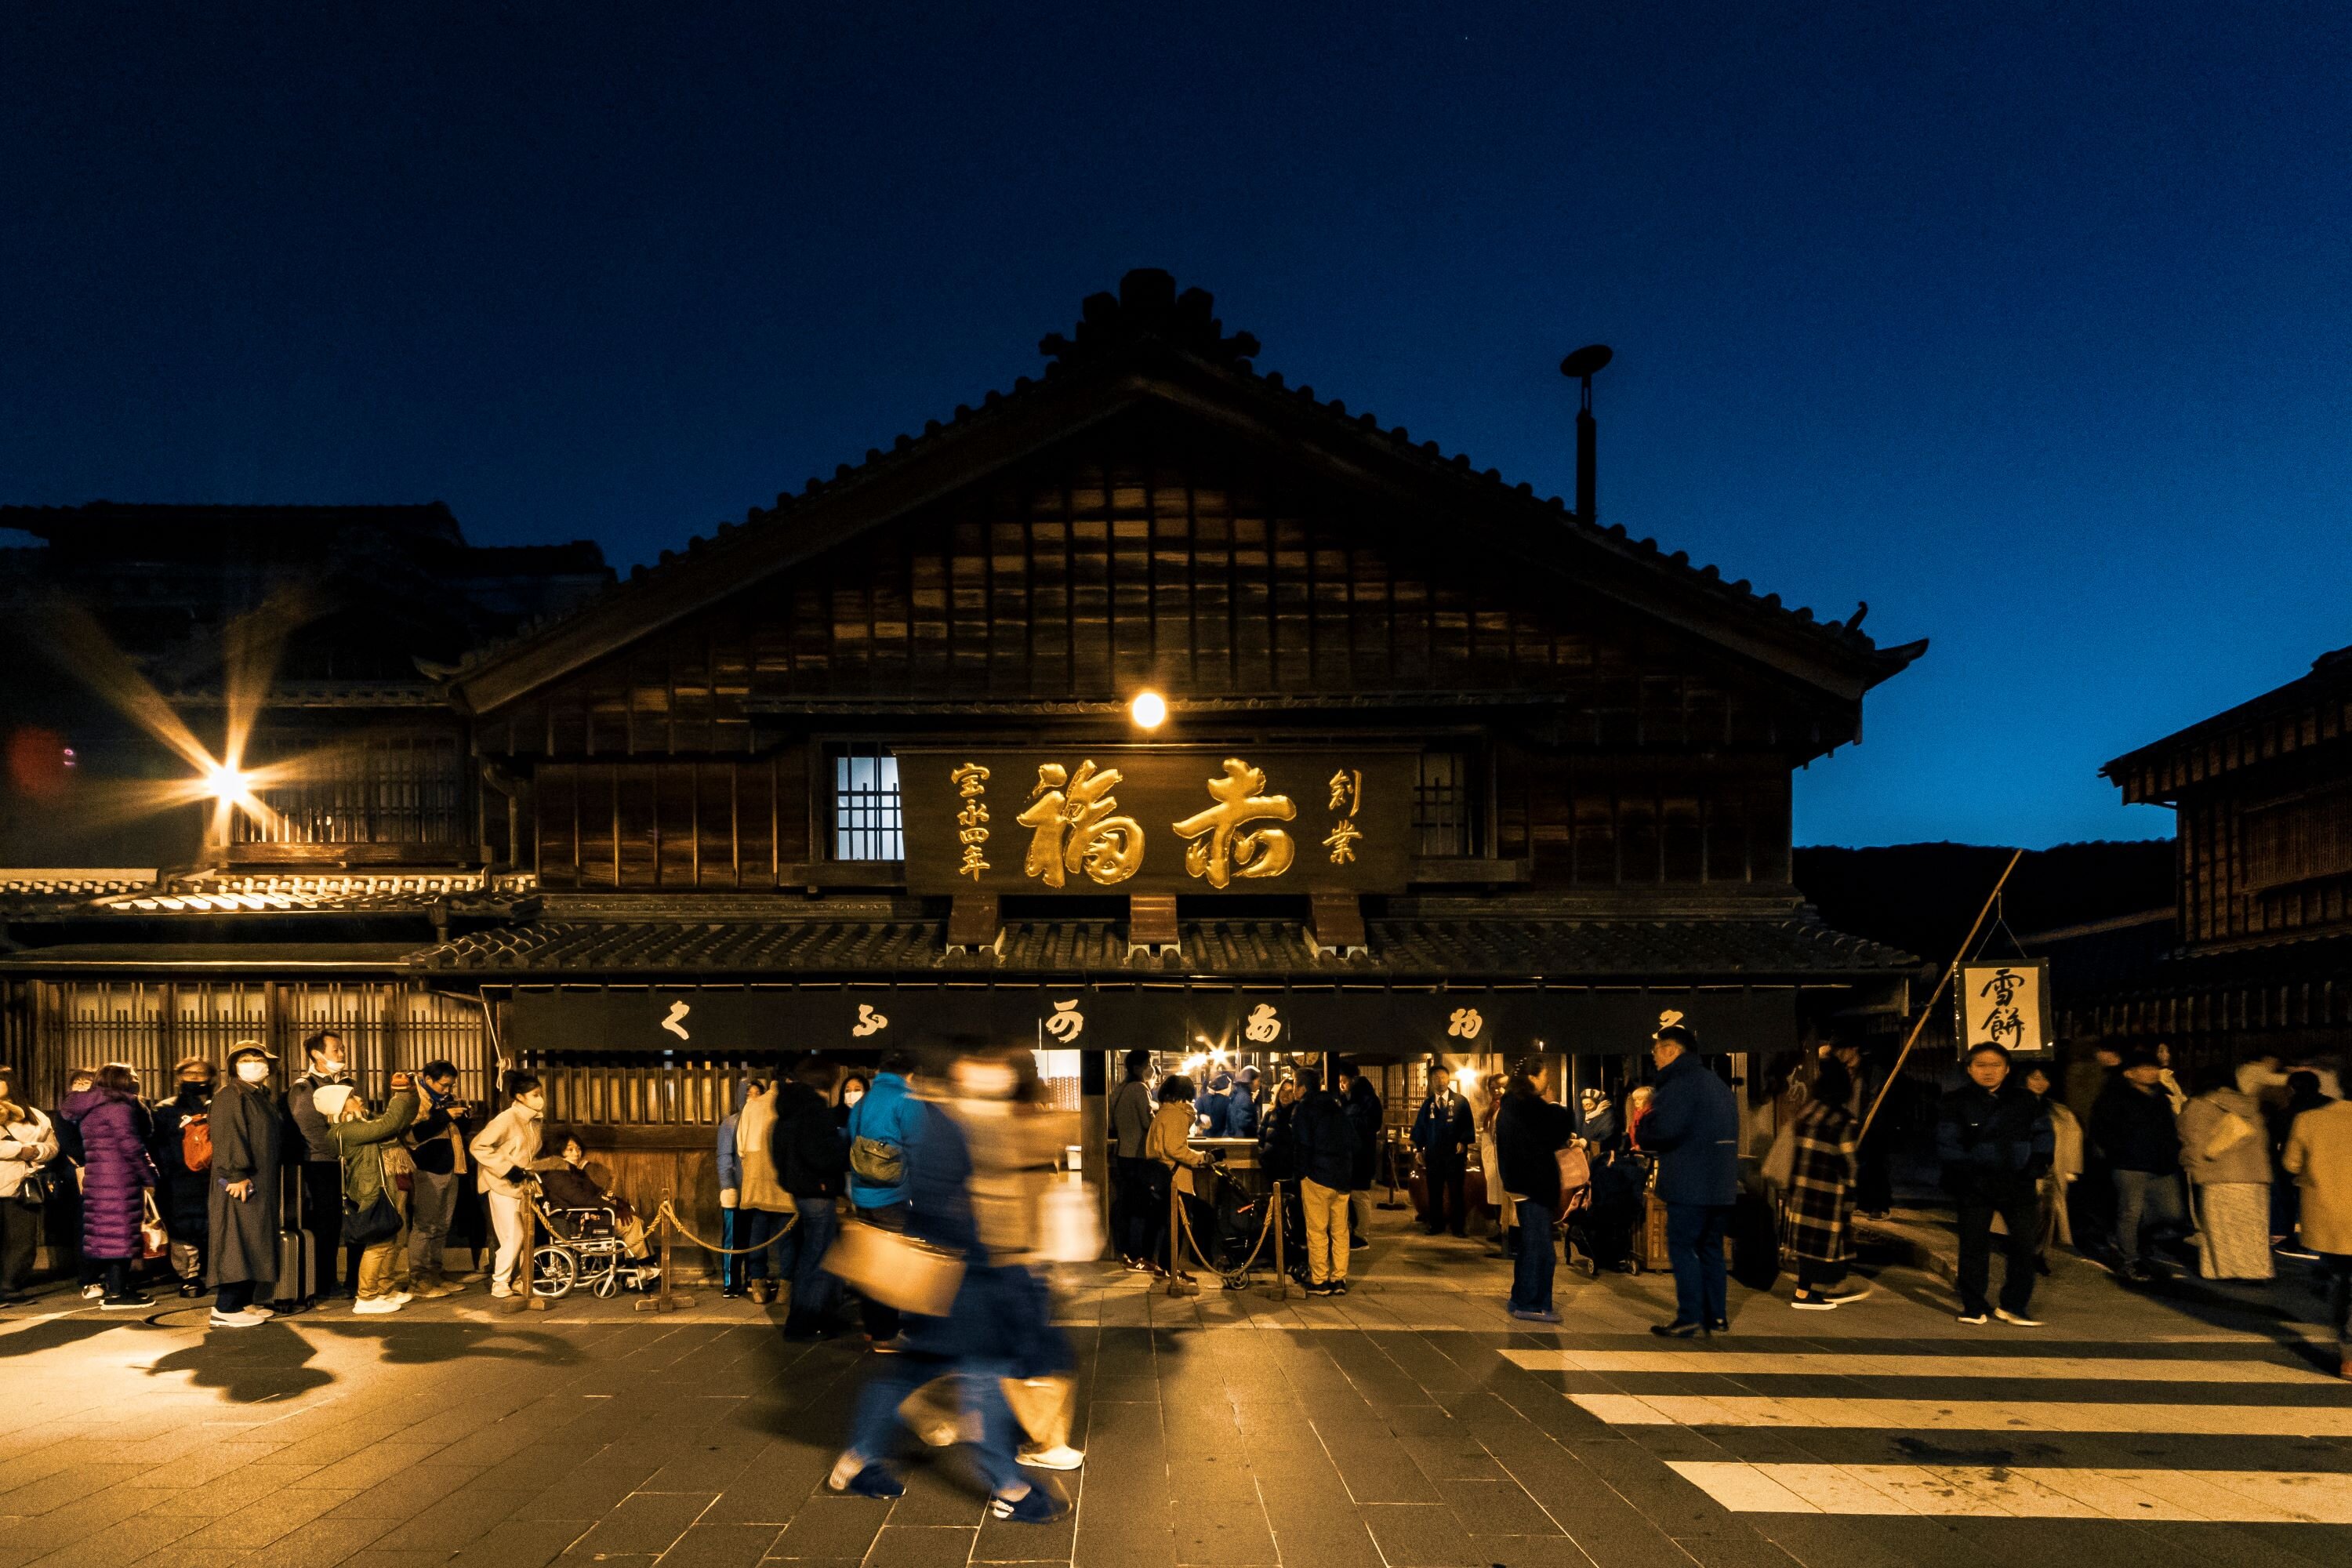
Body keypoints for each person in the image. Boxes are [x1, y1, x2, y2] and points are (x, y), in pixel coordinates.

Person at [830, 1047, 1071, 1523]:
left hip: (952, 1275)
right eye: (989, 1064)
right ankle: (1009, 1487)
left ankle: (858, 1460)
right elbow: (948, 1205)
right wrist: (1000, 1263)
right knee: (983, 1374)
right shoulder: (946, 1121)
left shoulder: (958, 1115)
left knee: (912, 1369)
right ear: (963, 1069)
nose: (1000, 1074)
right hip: (965, 1276)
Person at [1634, 1022, 1738, 1337]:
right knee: (1711, 1248)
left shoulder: (1679, 1085)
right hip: (1721, 1184)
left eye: (1657, 1050)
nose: (1654, 1057)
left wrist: (1644, 1126)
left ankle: (1690, 1315)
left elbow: (1663, 1131)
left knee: (1682, 1246)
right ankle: (1716, 1316)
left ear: (1672, 1050)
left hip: (1690, 1184)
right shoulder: (1718, 1085)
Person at [1939, 1044, 2053, 1325]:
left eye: (1995, 1065)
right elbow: (1947, 1142)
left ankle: (2013, 1305)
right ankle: (1973, 1305)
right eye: (1980, 1065)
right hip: (1974, 1183)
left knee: (2024, 1245)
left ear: (2007, 1068)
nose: (1988, 1071)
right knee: (1973, 1245)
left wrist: (2035, 1165)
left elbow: (2043, 1134)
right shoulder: (1955, 1101)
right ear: (1969, 1069)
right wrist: (1967, 1168)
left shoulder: (2025, 1100)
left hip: (2018, 1182)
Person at [59, 1063, 161, 1310]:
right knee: (120, 1235)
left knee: (110, 1235)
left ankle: (118, 1287)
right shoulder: (118, 1107)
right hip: (120, 1179)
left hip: (99, 1178)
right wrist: (150, 1175)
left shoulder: (93, 1106)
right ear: (120, 1080)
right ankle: (117, 1293)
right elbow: (131, 1145)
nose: (136, 1080)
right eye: (132, 1076)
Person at [205, 1044, 282, 1327]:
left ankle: (244, 1301)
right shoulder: (231, 1095)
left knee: (254, 1238)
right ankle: (225, 1307)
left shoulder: (259, 1096)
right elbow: (228, 1135)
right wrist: (235, 1173)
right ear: (234, 1067)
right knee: (236, 1239)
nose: (253, 1063)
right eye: (246, 1059)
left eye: (258, 1058)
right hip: (240, 1181)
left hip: (259, 1179)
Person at [2092, 1048, 2185, 1283]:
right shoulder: (2113, 1098)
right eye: (2145, 1068)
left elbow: (2170, 1129)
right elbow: (2101, 1129)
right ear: (2129, 1073)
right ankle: (2130, 1259)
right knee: (2130, 1212)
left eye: (2154, 1068)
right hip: (2129, 1164)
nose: (2152, 1072)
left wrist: (2172, 1152)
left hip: (2161, 1164)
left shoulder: (2161, 1098)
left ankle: (2133, 1237)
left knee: (2172, 1212)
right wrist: (2118, 1151)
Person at [773, 1055, 849, 1338]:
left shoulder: (788, 1108)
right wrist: (844, 1149)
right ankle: (805, 1321)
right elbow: (822, 1154)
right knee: (818, 1257)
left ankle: (816, 1317)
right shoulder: (814, 1111)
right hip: (818, 1190)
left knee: (812, 1254)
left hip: (800, 1190)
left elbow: (779, 1150)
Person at [1494, 1056, 1574, 1322]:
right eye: (1544, 1076)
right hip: (1533, 1185)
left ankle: (1520, 1298)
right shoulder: (1528, 1106)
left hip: (1522, 1184)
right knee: (1541, 1250)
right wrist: (1553, 1104)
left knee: (1531, 1245)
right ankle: (1532, 1304)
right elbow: (1557, 1131)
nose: (1547, 1081)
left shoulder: (1512, 1104)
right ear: (1531, 1078)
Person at [847, 1049, 919, 1341]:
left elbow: (852, 1141)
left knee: (872, 1264)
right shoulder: (907, 1100)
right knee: (895, 1264)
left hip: (863, 1195)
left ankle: (874, 1328)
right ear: (908, 1074)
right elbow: (919, 1146)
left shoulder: (862, 1103)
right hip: (894, 1196)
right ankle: (892, 1328)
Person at [1786, 1060, 1870, 1309]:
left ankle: (1803, 1293)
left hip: (1802, 1191)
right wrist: (1853, 1192)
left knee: (1807, 1245)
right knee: (1827, 1245)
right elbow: (1849, 1164)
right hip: (1829, 1195)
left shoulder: (1806, 1114)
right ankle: (1821, 1291)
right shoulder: (1842, 1121)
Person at [2177, 1065, 2274, 1280]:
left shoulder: (2199, 1105)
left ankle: (2230, 1271)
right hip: (2256, 1176)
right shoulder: (2250, 1105)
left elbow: (2194, 1142)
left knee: (2223, 1228)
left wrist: (2195, 1170)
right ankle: (2256, 1270)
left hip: (2219, 1175)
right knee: (2253, 1227)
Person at [332, 1076, 419, 1312]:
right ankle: (367, 1297)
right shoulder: (347, 1130)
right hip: (372, 1189)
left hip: (385, 1184)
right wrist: (398, 1094)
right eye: (352, 1097)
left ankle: (383, 1290)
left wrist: (409, 1093)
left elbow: (401, 1120)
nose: (359, 1099)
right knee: (379, 1243)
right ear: (339, 1106)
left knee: (392, 1239)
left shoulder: (363, 1121)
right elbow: (390, 1124)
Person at [2282, 1088, 2352, 1381]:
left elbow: (2291, 1163)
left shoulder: (2309, 1119)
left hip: (2329, 1216)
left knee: (2343, 1281)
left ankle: (2349, 1357)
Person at [286, 1032, 358, 1302]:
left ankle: (350, 1280)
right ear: (317, 1054)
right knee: (325, 1223)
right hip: (320, 1163)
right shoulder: (305, 1087)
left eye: (342, 1049)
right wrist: (340, 1151)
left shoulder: (347, 1083)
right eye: (336, 1049)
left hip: (347, 1161)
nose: (342, 1054)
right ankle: (323, 1282)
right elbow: (310, 1130)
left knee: (346, 1222)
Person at [468, 1073, 547, 1302]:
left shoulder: (534, 1120)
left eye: (540, 1094)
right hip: (501, 1184)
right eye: (535, 1095)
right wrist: (507, 1169)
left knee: (527, 1234)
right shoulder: (507, 1118)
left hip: (523, 1186)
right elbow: (478, 1146)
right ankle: (500, 1281)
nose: (540, 1099)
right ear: (520, 1097)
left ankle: (522, 1279)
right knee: (513, 1235)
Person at [148, 1056, 217, 1299]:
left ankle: (216, 1274)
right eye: (190, 1074)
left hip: (216, 1178)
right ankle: (190, 1277)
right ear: (179, 1078)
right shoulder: (165, 1110)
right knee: (182, 1228)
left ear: (212, 1078)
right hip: (178, 1179)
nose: (196, 1079)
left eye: (201, 1074)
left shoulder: (220, 1106)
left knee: (215, 1226)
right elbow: (154, 1146)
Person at [404, 1061, 472, 1299]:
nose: (447, 1090)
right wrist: (444, 1116)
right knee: (425, 1225)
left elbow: (460, 1130)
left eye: (450, 1085)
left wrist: (463, 1116)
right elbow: (412, 1135)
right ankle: (418, 1279)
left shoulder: (446, 1100)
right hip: (427, 1168)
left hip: (452, 1165)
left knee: (442, 1225)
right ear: (428, 1079)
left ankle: (435, 1273)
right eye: (443, 1085)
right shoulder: (414, 1099)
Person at [533, 1127, 652, 1261]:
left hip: (588, 1216)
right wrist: (614, 1210)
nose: (576, 1154)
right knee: (631, 1223)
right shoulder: (555, 1175)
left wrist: (621, 1203)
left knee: (637, 1219)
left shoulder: (577, 1173)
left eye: (578, 1149)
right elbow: (581, 1199)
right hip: (572, 1222)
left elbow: (600, 1192)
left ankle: (637, 1263)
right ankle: (640, 1264)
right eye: (570, 1150)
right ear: (558, 1152)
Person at [0, 1065, 60, 1307]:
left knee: (22, 1241)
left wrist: (37, 1151)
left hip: (22, 1186)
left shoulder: (35, 1116)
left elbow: (53, 1146)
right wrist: (20, 1149)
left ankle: (9, 1288)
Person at [1291, 1067, 1355, 1295]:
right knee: (1340, 1231)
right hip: (1342, 1177)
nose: (1294, 1090)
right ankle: (1339, 1279)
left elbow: (1302, 1145)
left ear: (1302, 1087)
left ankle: (1320, 1280)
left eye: (1295, 1085)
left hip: (1317, 1176)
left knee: (1317, 1230)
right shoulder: (1337, 1107)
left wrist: (1302, 1173)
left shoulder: (1303, 1109)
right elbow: (1353, 1141)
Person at [734, 1074, 795, 1305]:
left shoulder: (752, 1107)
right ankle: (785, 1288)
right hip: (784, 1182)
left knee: (757, 1234)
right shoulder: (790, 1105)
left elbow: (741, 1148)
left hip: (756, 1182)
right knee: (787, 1238)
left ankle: (758, 1286)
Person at [1145, 1074, 1208, 1279]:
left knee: (1169, 1224)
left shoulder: (1164, 1113)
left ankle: (1166, 1267)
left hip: (1163, 1176)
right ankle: (1170, 1269)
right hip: (1176, 1178)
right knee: (1178, 1225)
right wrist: (1200, 1157)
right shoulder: (1177, 1115)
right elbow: (1175, 1148)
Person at [2021, 1065, 2082, 1265]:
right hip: (2022, 1169)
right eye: (2034, 1078)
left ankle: (2038, 1253)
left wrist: (2071, 1168)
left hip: (2049, 1170)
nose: (2039, 1083)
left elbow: (2073, 1137)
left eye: (2044, 1079)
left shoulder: (2059, 1111)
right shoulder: (2013, 1106)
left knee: (2046, 1212)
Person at [2272, 1069, 2334, 1258]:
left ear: (2291, 1089)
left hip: (2297, 1166)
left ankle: (2294, 1240)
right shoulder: (2331, 1106)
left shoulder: (2288, 1112)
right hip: (2330, 1163)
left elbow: (2278, 1140)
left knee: (2291, 1201)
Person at [1106, 1049, 1157, 1271]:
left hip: (1122, 1155)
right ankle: (1138, 1256)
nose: (1152, 1068)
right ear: (1138, 1068)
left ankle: (1124, 1251)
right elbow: (1148, 1123)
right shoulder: (1139, 1088)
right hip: (1137, 1157)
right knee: (1140, 1208)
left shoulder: (1120, 1088)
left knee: (1127, 1204)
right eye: (1149, 1063)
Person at [1411, 1063, 1474, 1238]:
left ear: (1448, 1079)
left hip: (1454, 1155)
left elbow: (1467, 1124)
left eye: (1443, 1077)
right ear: (1431, 1081)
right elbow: (1420, 1127)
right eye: (1436, 1078)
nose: (1440, 1081)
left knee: (1456, 1191)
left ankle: (1458, 1227)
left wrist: (1463, 1141)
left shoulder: (1460, 1101)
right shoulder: (1428, 1104)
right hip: (1434, 1154)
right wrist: (1418, 1149)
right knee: (1434, 1191)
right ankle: (1436, 1224)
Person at [1341, 1063, 1383, 1249]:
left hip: (1362, 1154)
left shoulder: (1368, 1099)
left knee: (1360, 1195)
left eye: (1344, 1081)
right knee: (1351, 1196)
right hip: (1349, 1155)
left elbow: (1373, 1124)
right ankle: (1354, 1232)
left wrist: (1347, 1120)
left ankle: (1362, 1235)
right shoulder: (1346, 1098)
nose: (1342, 1085)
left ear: (1353, 1079)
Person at [717, 1082, 746, 1298]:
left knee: (752, 1238)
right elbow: (724, 1158)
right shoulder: (730, 1123)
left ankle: (752, 1278)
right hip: (735, 1190)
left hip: (753, 1190)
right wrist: (728, 1186)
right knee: (733, 1239)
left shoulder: (761, 1120)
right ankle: (730, 1282)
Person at [1226, 1066, 1260, 1139]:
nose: (1259, 1084)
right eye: (1258, 1080)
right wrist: (1256, 1130)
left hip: (1238, 1137)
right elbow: (1245, 1122)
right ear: (1251, 1081)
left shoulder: (1238, 1094)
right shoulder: (1244, 1097)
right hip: (1245, 1139)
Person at [1196, 1073, 1232, 1137]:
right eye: (1230, 1087)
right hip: (1223, 1137)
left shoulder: (1201, 1099)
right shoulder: (1227, 1101)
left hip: (1206, 1136)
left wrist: (1200, 1118)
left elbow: (1196, 1119)